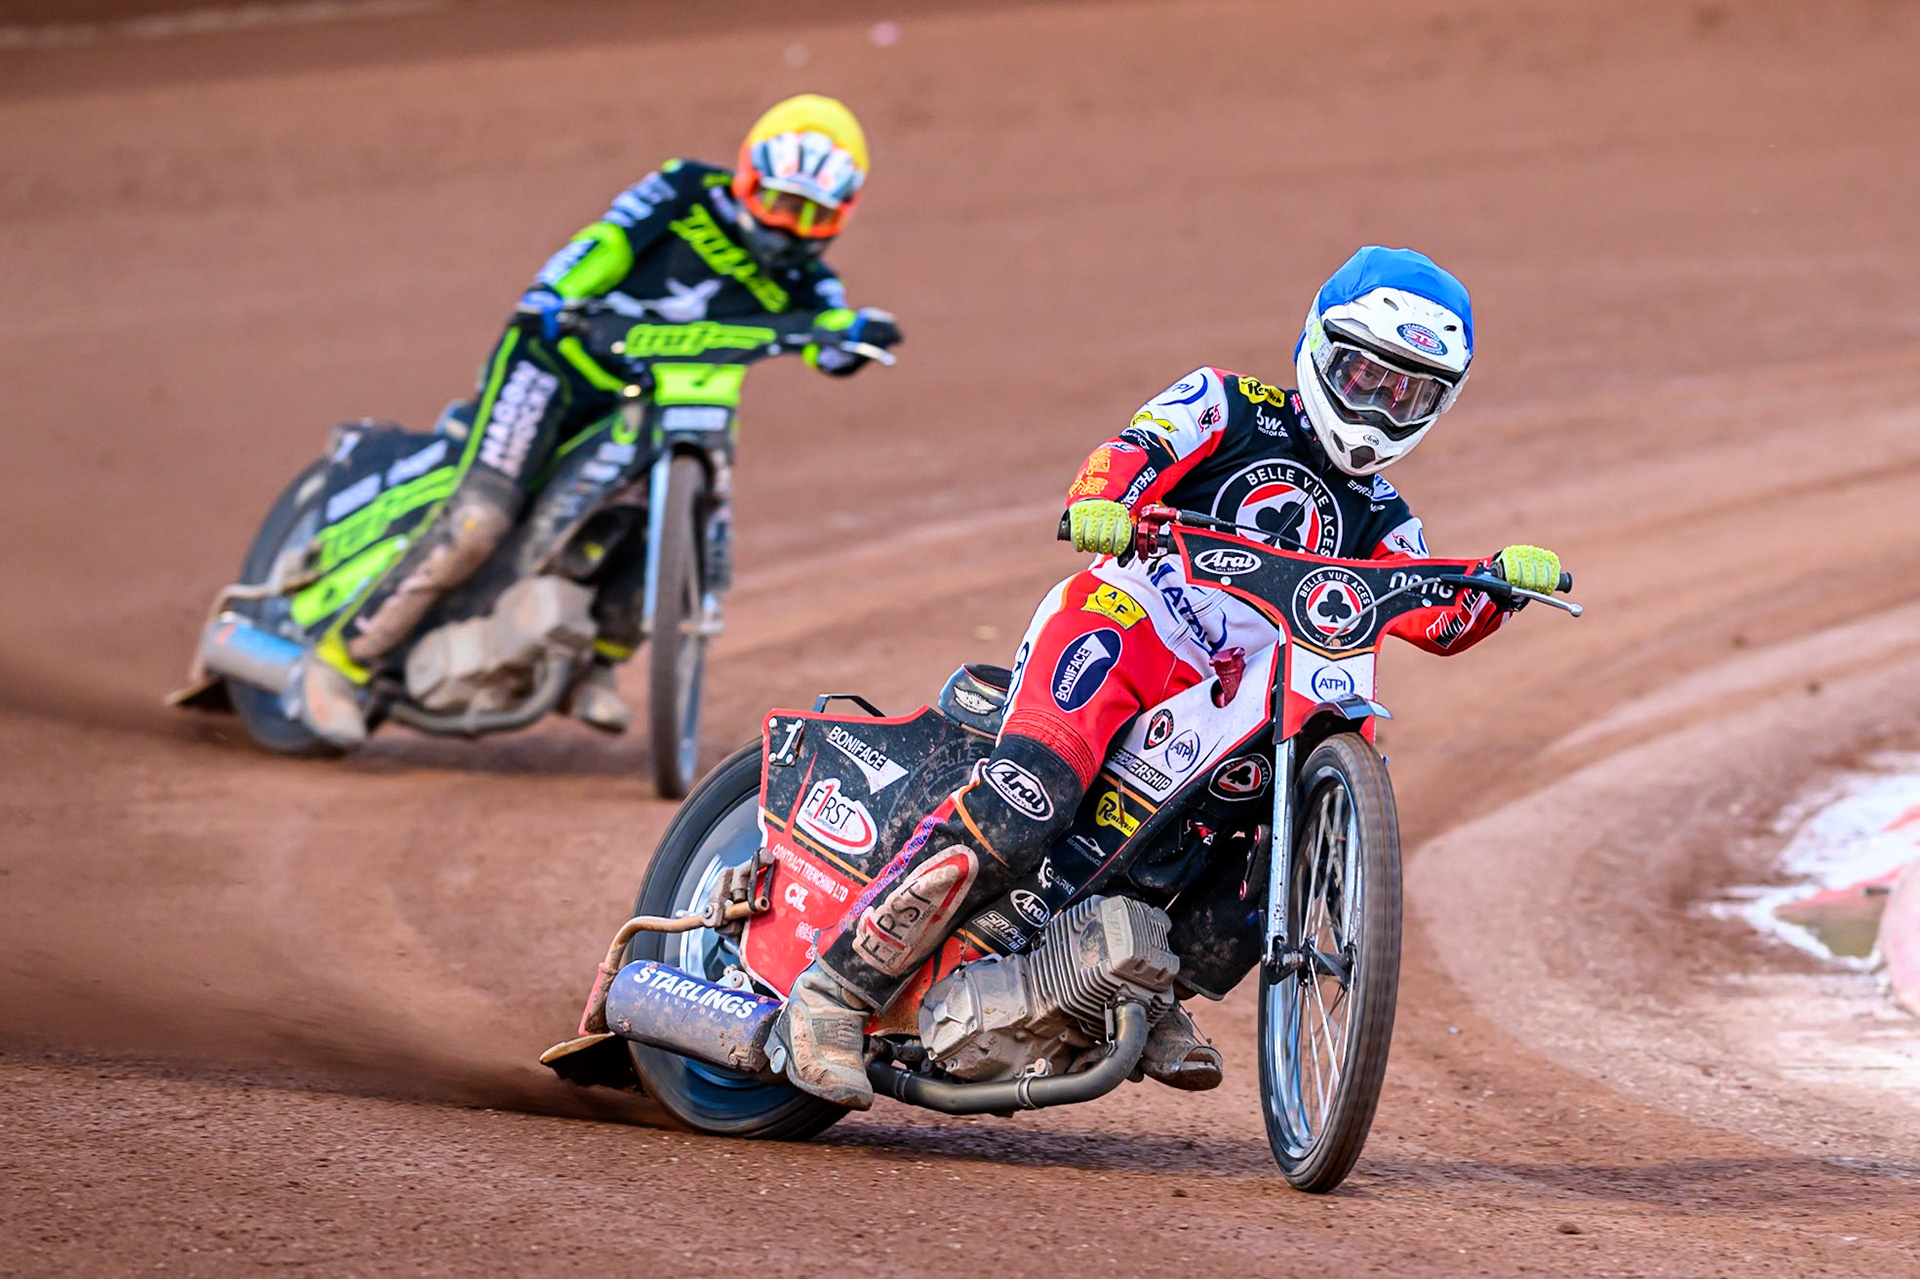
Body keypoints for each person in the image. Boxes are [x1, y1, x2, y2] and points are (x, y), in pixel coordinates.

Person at [770, 246, 1564, 1108]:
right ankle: (833, 992)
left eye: (1408, 392)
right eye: (1364, 374)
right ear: (1318, 347)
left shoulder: (1384, 517)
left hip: (1231, 694)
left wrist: (1499, 587)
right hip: (1129, 622)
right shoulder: (1229, 403)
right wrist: (1102, 498)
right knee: (1030, 794)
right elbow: (1139, 445)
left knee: (1276, 838)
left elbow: (1431, 617)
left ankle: (1146, 983)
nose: (1378, 405)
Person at [288, 94, 902, 746]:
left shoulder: (809, 283)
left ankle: (594, 661)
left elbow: (831, 337)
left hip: (650, 403)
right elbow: (608, 240)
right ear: (749, 177)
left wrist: (858, 336)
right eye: (779, 202)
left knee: (650, 517)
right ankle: (336, 663)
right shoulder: (686, 189)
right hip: (555, 366)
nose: (789, 228)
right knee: (480, 518)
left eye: (813, 215)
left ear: (843, 215)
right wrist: (556, 294)